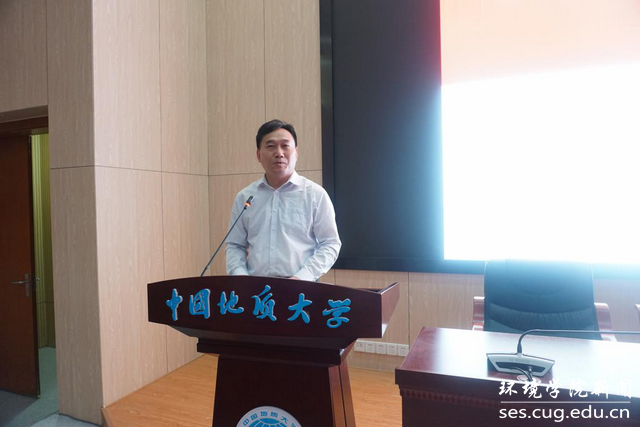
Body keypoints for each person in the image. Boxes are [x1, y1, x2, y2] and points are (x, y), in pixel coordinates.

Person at [225, 119, 341, 281]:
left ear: (296, 153)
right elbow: (235, 245)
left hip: (301, 288)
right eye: (271, 146)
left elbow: (330, 244)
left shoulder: (315, 195)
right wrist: (242, 279)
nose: (279, 153)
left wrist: (301, 278)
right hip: (256, 289)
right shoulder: (245, 197)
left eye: (285, 146)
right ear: (259, 155)